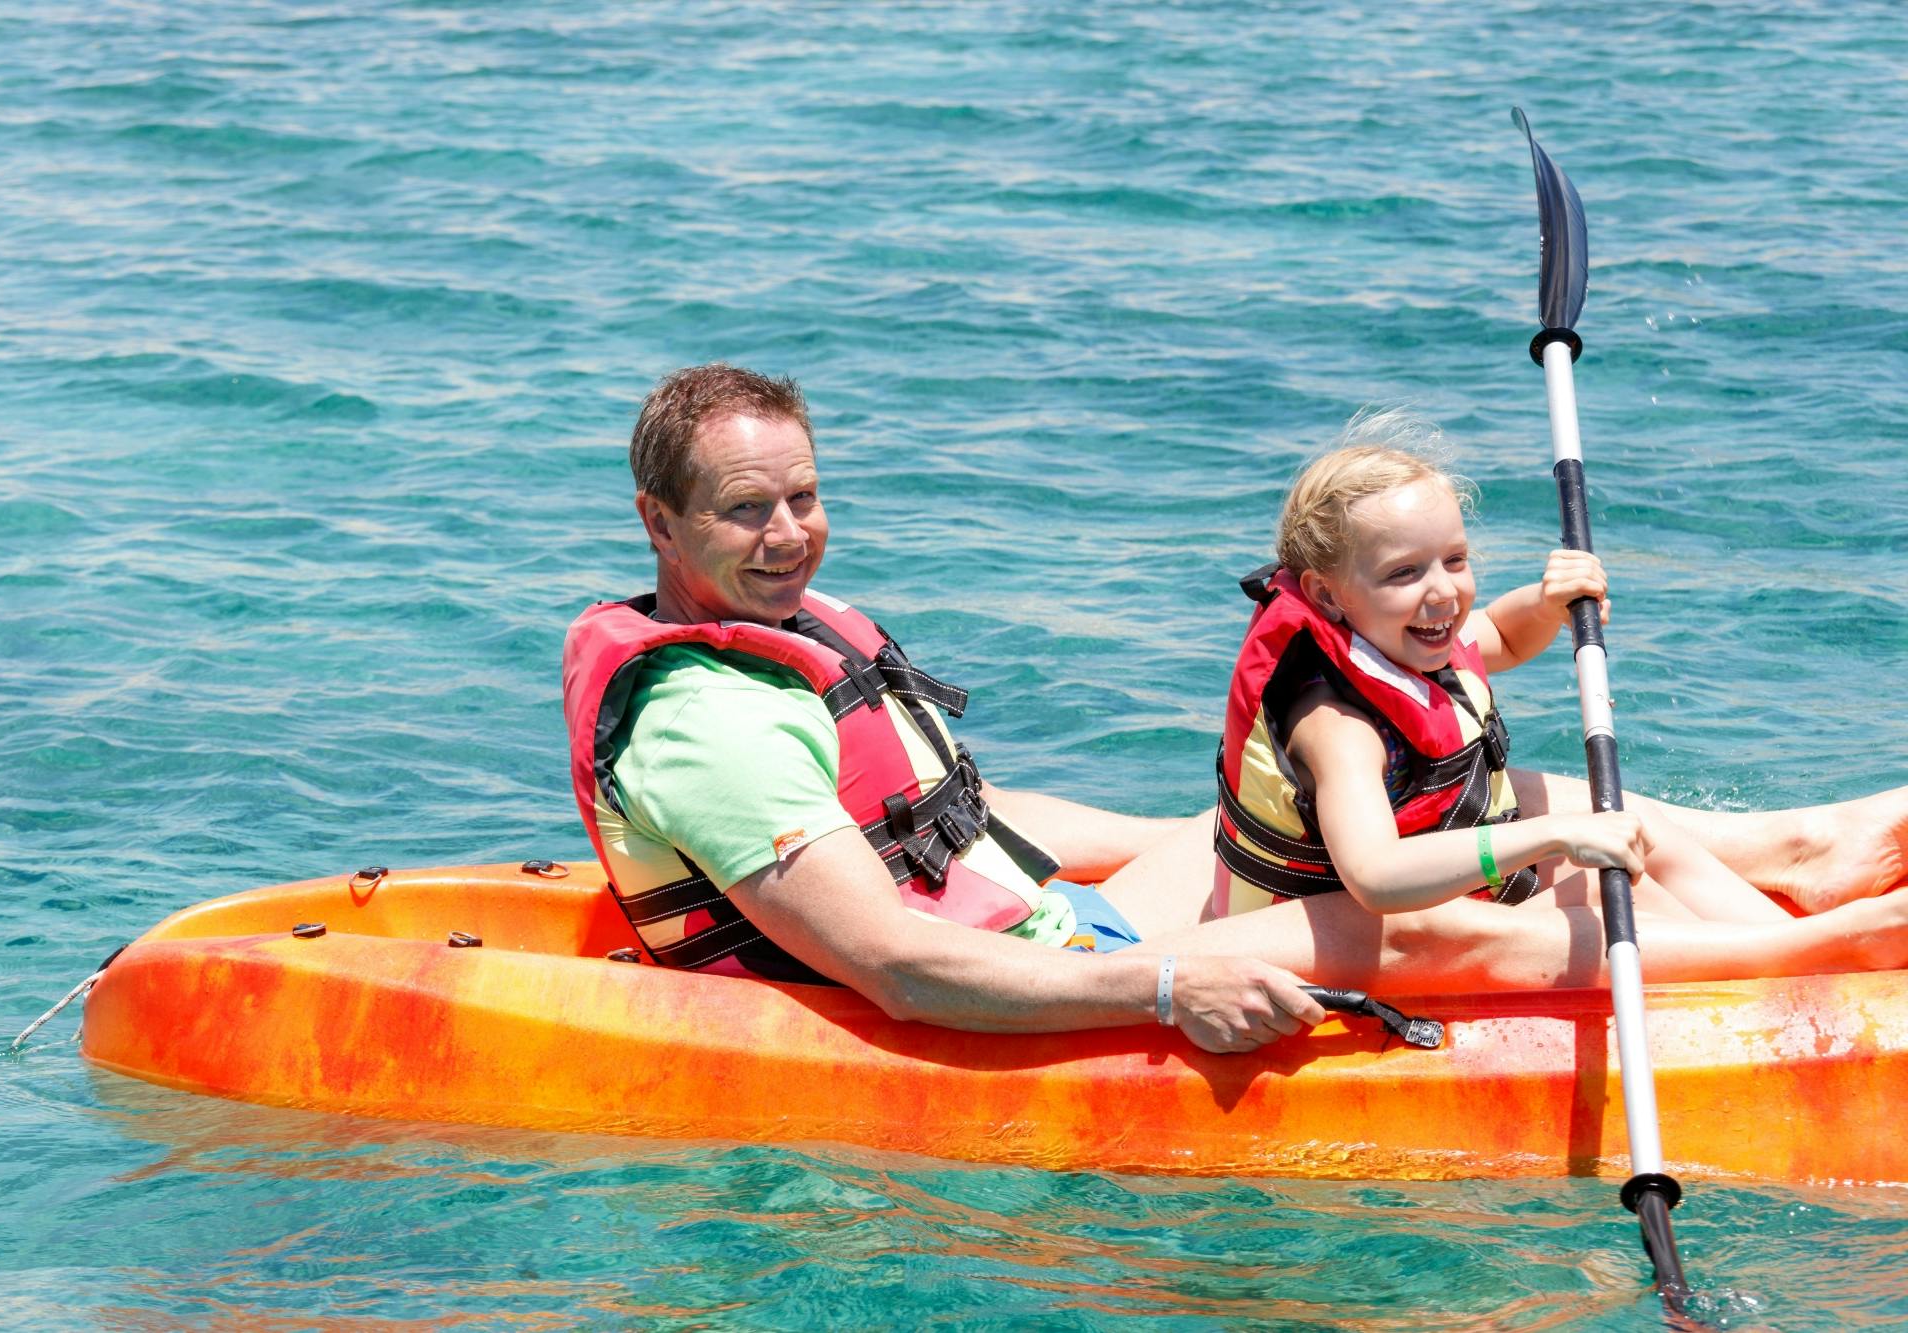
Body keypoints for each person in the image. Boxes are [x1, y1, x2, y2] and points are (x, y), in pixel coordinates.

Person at [562, 365, 1908, 1057]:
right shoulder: (706, 723)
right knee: (1423, 917)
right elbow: (901, 968)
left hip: (1047, 918)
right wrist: (1164, 983)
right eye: (749, 509)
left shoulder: (794, 634)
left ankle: (1810, 854)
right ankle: (1837, 949)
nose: (792, 530)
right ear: (661, 522)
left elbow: (948, 817)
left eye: (803, 493)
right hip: (991, 987)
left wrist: (1180, 836)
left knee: (1538, 801)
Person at [1211, 419, 1908, 928]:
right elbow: (1377, 876)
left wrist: (1547, 602)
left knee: (1631, 829)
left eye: (1454, 560)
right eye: (1404, 573)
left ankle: (1791, 926)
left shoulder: (1397, 638)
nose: (1443, 592)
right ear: (1327, 593)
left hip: (1424, 890)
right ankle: (1796, 957)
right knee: (1616, 887)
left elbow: (1504, 635)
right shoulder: (1337, 725)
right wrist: (1548, 838)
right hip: (1336, 928)